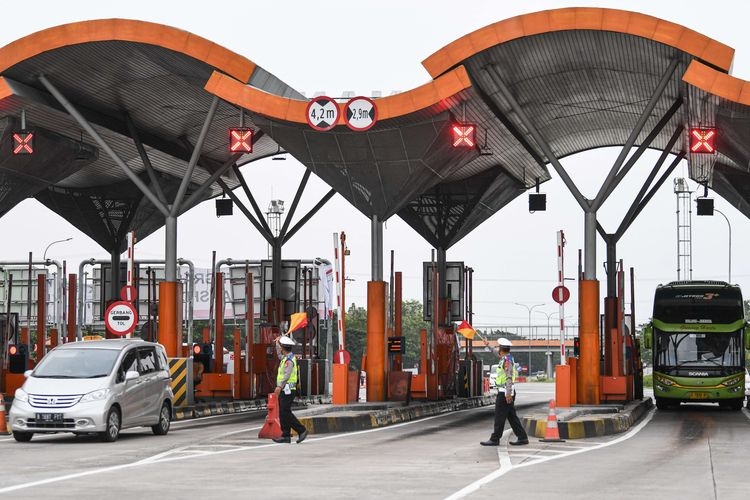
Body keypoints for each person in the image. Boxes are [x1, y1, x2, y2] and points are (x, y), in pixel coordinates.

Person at [480, 338, 529, 446]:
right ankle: (522, 437)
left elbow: (509, 378)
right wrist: (488, 345)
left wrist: (508, 393)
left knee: (499, 416)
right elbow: (496, 353)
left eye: (498, 347)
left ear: (502, 349)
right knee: (512, 417)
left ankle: (495, 439)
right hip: (505, 391)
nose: (497, 349)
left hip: (505, 392)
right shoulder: (506, 358)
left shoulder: (507, 361)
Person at [272, 335, 309, 444]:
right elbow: (279, 355)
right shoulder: (287, 358)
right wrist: (277, 344)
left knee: (285, 412)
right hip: (286, 389)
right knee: (283, 412)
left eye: (281, 347)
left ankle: (301, 430)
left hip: (287, 389)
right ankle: (286, 435)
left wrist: (279, 386)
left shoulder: (289, 361)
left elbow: (287, 375)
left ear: (284, 348)